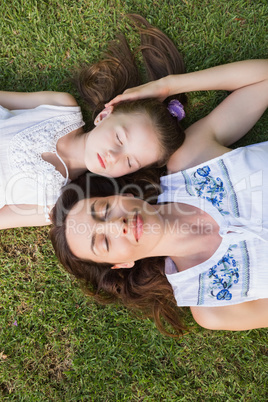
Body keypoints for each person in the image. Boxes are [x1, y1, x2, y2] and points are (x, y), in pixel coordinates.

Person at [50, 57, 268, 336]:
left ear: (121, 195)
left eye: (104, 210)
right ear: (121, 265)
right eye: (104, 241)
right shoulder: (213, 306)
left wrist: (168, 86)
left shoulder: (191, 160)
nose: (118, 225)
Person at [0, 15, 186, 230]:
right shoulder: (61, 108)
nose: (113, 156)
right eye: (119, 137)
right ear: (104, 116)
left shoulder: (58, 203)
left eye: (129, 162)